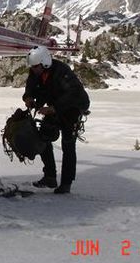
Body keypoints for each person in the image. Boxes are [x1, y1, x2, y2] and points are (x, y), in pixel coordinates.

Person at [23, 46, 90, 194]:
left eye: (36, 67)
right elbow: (31, 86)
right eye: (32, 67)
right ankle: (50, 176)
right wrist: (28, 97)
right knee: (44, 137)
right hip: (55, 106)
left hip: (73, 107)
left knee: (68, 144)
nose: (33, 70)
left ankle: (66, 183)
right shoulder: (36, 71)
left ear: (44, 63)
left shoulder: (62, 71)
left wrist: (53, 108)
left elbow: (74, 93)